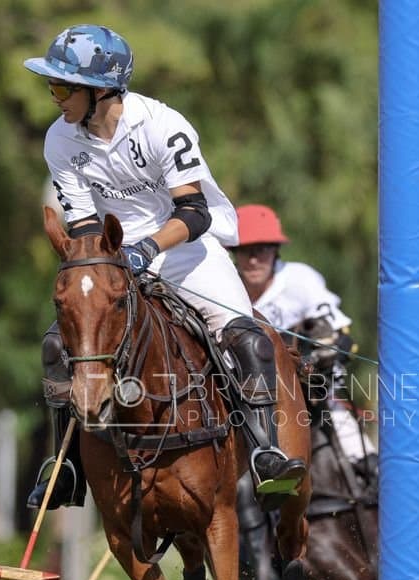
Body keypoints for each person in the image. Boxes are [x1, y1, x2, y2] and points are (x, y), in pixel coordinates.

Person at [22, 24, 305, 512]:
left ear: (102, 88)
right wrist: (105, 261)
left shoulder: (161, 125)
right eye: (54, 86)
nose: (55, 97)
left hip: (187, 249)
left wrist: (147, 249)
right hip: (114, 255)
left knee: (251, 340)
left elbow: (193, 213)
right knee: (55, 344)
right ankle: (65, 467)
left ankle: (266, 454)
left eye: (63, 87)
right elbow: (86, 222)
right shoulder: (60, 141)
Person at [230, 204, 375, 468]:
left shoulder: (300, 280)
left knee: (363, 460)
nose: (252, 259)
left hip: (312, 395)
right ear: (234, 254)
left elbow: (342, 338)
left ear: (275, 250)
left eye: (260, 250)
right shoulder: (225, 288)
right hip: (250, 401)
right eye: (244, 251)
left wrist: (325, 352)